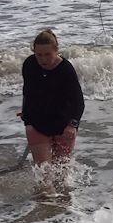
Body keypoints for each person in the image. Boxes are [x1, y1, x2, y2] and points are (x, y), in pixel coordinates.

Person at [20, 28, 85, 164]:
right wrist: (26, 113)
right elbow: (28, 92)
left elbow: (78, 101)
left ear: (56, 51)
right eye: (39, 55)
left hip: (64, 125)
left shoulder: (66, 69)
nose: (43, 59)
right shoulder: (29, 64)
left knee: (62, 174)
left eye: (48, 54)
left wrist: (73, 125)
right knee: (45, 176)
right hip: (37, 123)